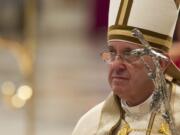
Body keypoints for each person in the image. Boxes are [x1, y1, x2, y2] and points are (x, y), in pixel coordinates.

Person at [72, 0, 180, 135]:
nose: (116, 65)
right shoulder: (89, 126)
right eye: (112, 52)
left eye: (130, 54)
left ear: (161, 63)